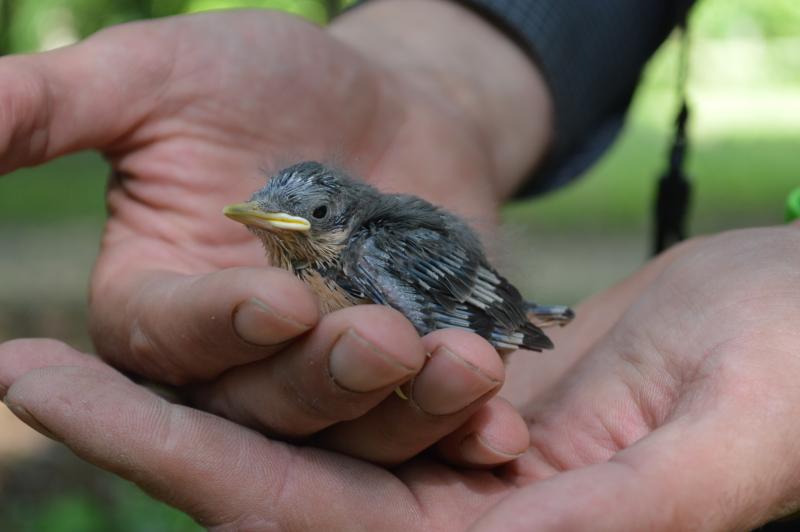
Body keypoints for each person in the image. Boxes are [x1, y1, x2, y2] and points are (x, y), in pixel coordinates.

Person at [1, 0, 799, 529]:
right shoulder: (299, 267)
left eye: (310, 216)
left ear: (340, 219)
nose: (283, 225)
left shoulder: (381, 245)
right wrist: (435, 58)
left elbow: (474, 304)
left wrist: (515, 325)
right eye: (274, 211)